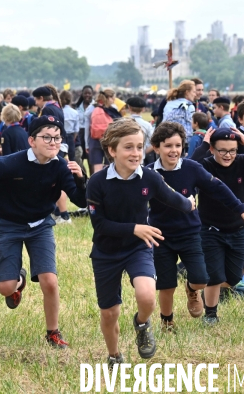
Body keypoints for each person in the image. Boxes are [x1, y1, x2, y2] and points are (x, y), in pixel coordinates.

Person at [86, 118, 195, 365]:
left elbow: (171, 197)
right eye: (128, 147)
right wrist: (135, 228)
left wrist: (189, 204)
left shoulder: (149, 177)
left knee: (147, 297)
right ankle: (114, 355)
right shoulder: (97, 183)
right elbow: (100, 225)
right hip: (106, 252)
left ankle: (142, 324)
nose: (136, 153)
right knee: (109, 312)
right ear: (112, 150)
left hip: (138, 248)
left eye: (139, 146)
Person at [0, 115, 87, 349]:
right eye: (46, 137)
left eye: (57, 138)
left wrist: (80, 179)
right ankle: (20, 278)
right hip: (9, 224)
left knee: (50, 281)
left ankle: (53, 333)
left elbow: (80, 199)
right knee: (6, 287)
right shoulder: (9, 163)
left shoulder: (60, 167)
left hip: (41, 225)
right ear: (31, 141)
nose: (52, 142)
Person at [147, 121, 244, 331]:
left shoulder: (192, 168)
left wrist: (240, 209)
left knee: (201, 279)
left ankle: (191, 290)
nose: (174, 151)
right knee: (167, 284)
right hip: (161, 235)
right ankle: (167, 321)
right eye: (168, 146)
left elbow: (218, 188)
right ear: (156, 147)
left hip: (190, 233)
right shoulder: (148, 173)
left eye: (178, 146)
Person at [190, 127, 244, 324]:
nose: (228, 155)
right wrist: (203, 144)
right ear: (212, 149)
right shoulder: (205, 166)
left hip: (238, 228)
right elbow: (189, 167)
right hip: (210, 229)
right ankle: (211, 314)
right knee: (215, 276)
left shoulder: (243, 163)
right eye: (223, 151)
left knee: (234, 277)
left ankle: (201, 286)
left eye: (232, 150)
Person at [86, 89, 121, 174]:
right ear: (109, 98)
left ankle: (96, 185)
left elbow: (87, 127)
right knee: (109, 166)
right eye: (113, 98)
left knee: (97, 168)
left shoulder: (92, 108)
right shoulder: (113, 109)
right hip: (109, 140)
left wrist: (87, 144)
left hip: (95, 140)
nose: (114, 100)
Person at [75, 86, 94, 169]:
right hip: (79, 134)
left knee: (91, 160)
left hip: (91, 134)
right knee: (79, 159)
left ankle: (92, 180)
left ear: (92, 94)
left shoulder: (95, 106)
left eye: (89, 93)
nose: (87, 95)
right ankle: (82, 179)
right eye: (85, 93)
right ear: (82, 94)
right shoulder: (77, 106)